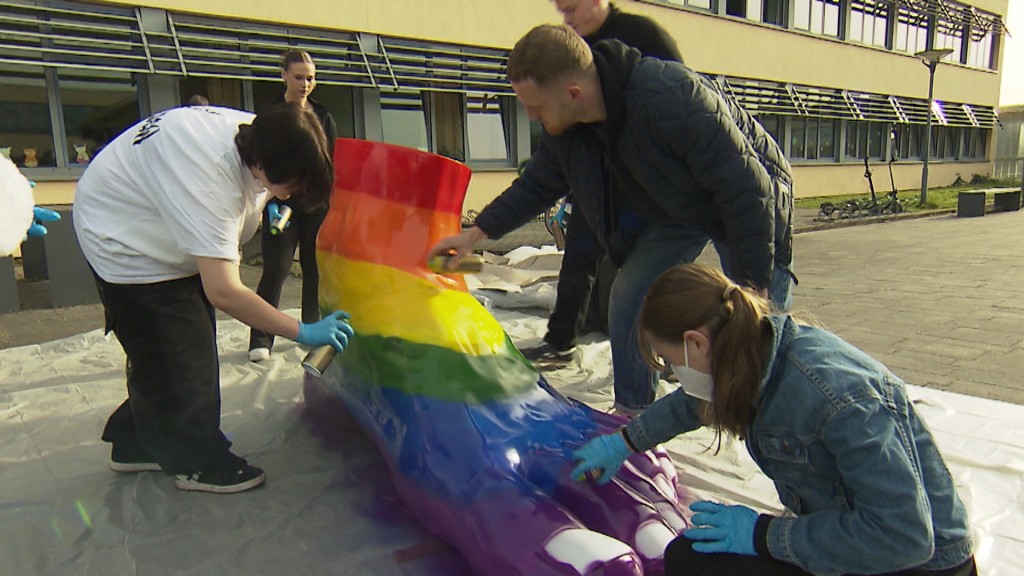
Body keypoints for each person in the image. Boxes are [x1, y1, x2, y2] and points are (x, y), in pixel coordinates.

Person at [430, 25, 794, 415]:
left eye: (535, 107)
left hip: (748, 198)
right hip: (672, 208)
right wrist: (476, 234)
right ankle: (633, 413)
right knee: (628, 295)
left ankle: (777, 407)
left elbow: (745, 191)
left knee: (760, 321)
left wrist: (750, 290)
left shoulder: (669, 96)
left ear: (573, 94)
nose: (530, 115)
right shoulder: (567, 130)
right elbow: (536, 185)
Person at [570, 263, 976, 576]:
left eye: (673, 364)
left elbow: (904, 536)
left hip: (920, 566)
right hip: (864, 540)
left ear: (697, 343)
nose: (676, 375)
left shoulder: (841, 400)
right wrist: (625, 442)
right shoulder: (748, 350)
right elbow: (692, 404)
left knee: (699, 562)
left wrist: (764, 536)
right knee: (689, 555)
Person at [73, 103, 354, 494]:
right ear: (260, 164)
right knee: (183, 358)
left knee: (165, 353)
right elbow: (224, 291)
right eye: (287, 185)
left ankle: (134, 443)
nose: (289, 195)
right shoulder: (209, 176)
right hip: (126, 243)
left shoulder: (260, 134)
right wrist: (302, 330)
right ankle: (196, 462)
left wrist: (270, 198)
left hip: (149, 217)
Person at [521, 0, 685, 365]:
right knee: (579, 254)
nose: (568, 18)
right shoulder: (571, 50)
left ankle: (673, 355)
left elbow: (678, 101)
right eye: (562, 11)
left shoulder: (644, 35)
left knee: (649, 278)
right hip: (599, 178)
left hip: (648, 184)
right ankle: (562, 341)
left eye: (574, 8)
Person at [249, 49, 338, 363]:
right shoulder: (269, 114)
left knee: (315, 270)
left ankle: (311, 328)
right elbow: (256, 161)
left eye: (310, 78)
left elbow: (330, 165)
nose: (305, 84)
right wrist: (269, 199)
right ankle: (261, 338)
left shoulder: (323, 117)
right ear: (283, 75)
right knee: (277, 267)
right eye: (298, 77)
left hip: (315, 205)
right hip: (280, 206)